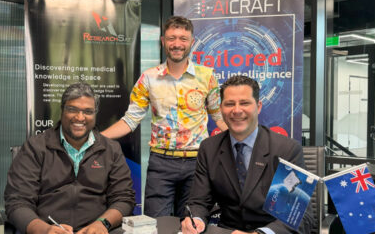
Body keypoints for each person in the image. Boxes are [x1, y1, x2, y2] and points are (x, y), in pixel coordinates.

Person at [102, 16, 228, 217]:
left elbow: (219, 117)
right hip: (161, 163)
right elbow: (130, 120)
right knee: (156, 224)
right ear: (163, 41)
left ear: (192, 42)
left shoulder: (207, 76)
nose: (177, 44)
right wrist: (97, 137)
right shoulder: (148, 78)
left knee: (192, 223)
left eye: (183, 39)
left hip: (198, 163)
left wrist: (247, 139)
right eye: (172, 38)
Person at [181, 75, 314, 234]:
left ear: (258, 106)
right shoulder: (209, 148)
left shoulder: (287, 150)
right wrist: (195, 219)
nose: (237, 110)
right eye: (230, 104)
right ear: (221, 108)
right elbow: (198, 201)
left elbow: (301, 217)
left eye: (244, 103)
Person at [4, 82, 135, 234]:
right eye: (72, 110)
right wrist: (43, 229)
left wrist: (102, 224)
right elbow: (17, 201)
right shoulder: (35, 147)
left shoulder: (111, 149)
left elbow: (124, 198)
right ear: (62, 110)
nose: (80, 117)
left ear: (95, 114)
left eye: (88, 111)